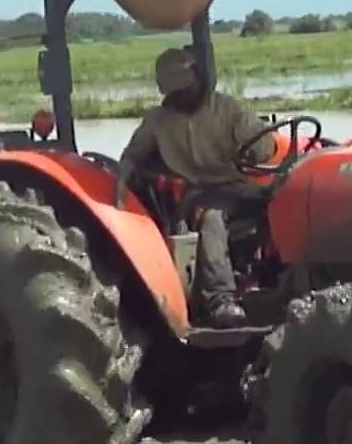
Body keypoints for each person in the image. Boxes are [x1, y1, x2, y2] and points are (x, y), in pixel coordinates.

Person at [114, 46, 275, 328]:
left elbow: (264, 146)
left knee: (281, 200)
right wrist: (122, 182)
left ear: (198, 79)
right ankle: (220, 300)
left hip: (236, 185)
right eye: (175, 92)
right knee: (211, 217)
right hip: (197, 194)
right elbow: (133, 155)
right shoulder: (158, 121)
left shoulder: (228, 109)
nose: (183, 96)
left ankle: (279, 281)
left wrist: (256, 150)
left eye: (186, 88)